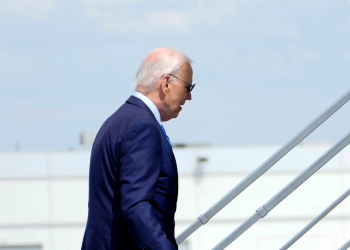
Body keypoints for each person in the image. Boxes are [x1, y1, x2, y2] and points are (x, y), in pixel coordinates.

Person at [81, 47, 195, 250]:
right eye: (188, 87)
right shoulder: (143, 126)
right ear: (166, 83)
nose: (189, 97)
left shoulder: (118, 121)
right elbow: (136, 206)